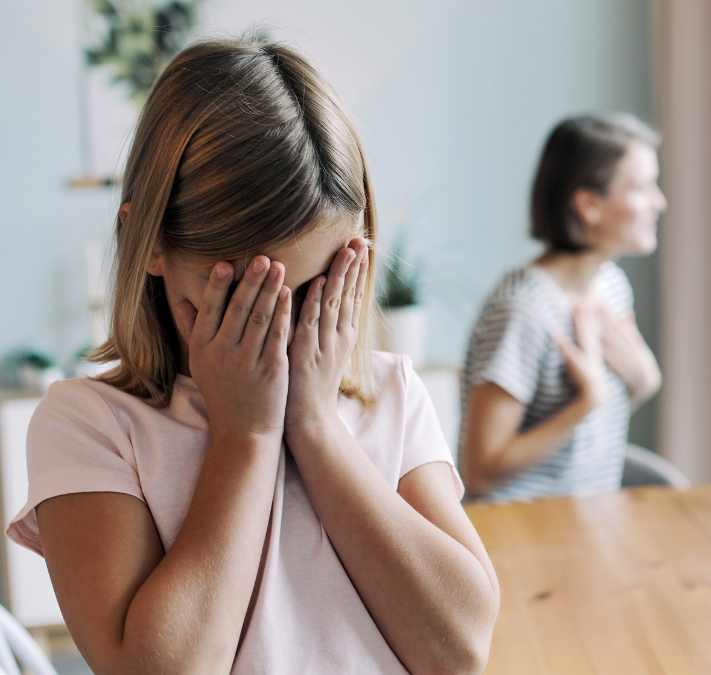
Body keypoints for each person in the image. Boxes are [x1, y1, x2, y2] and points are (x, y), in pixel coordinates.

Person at [5, 37, 499, 674]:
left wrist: (315, 427)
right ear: (147, 242)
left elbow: (458, 650)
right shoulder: (90, 425)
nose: (285, 335)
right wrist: (246, 435)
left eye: (316, 292)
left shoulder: (390, 393)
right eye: (250, 300)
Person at [459, 115, 665, 501]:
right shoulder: (522, 310)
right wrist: (587, 401)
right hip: (519, 538)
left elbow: (590, 433)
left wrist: (643, 381)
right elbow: (479, 474)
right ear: (589, 204)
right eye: (641, 187)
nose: (659, 202)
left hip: (585, 526)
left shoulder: (612, 287)